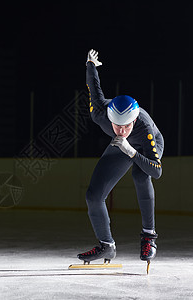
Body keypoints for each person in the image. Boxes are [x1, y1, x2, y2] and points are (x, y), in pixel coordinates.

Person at [78, 50, 164, 265]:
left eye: (127, 126)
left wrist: (132, 152)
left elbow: (157, 170)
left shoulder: (143, 127)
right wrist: (90, 64)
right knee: (93, 196)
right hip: (120, 147)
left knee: (141, 176)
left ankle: (149, 237)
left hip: (143, 147)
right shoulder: (100, 112)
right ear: (109, 119)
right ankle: (106, 246)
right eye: (118, 126)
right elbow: (94, 88)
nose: (123, 129)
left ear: (134, 120)